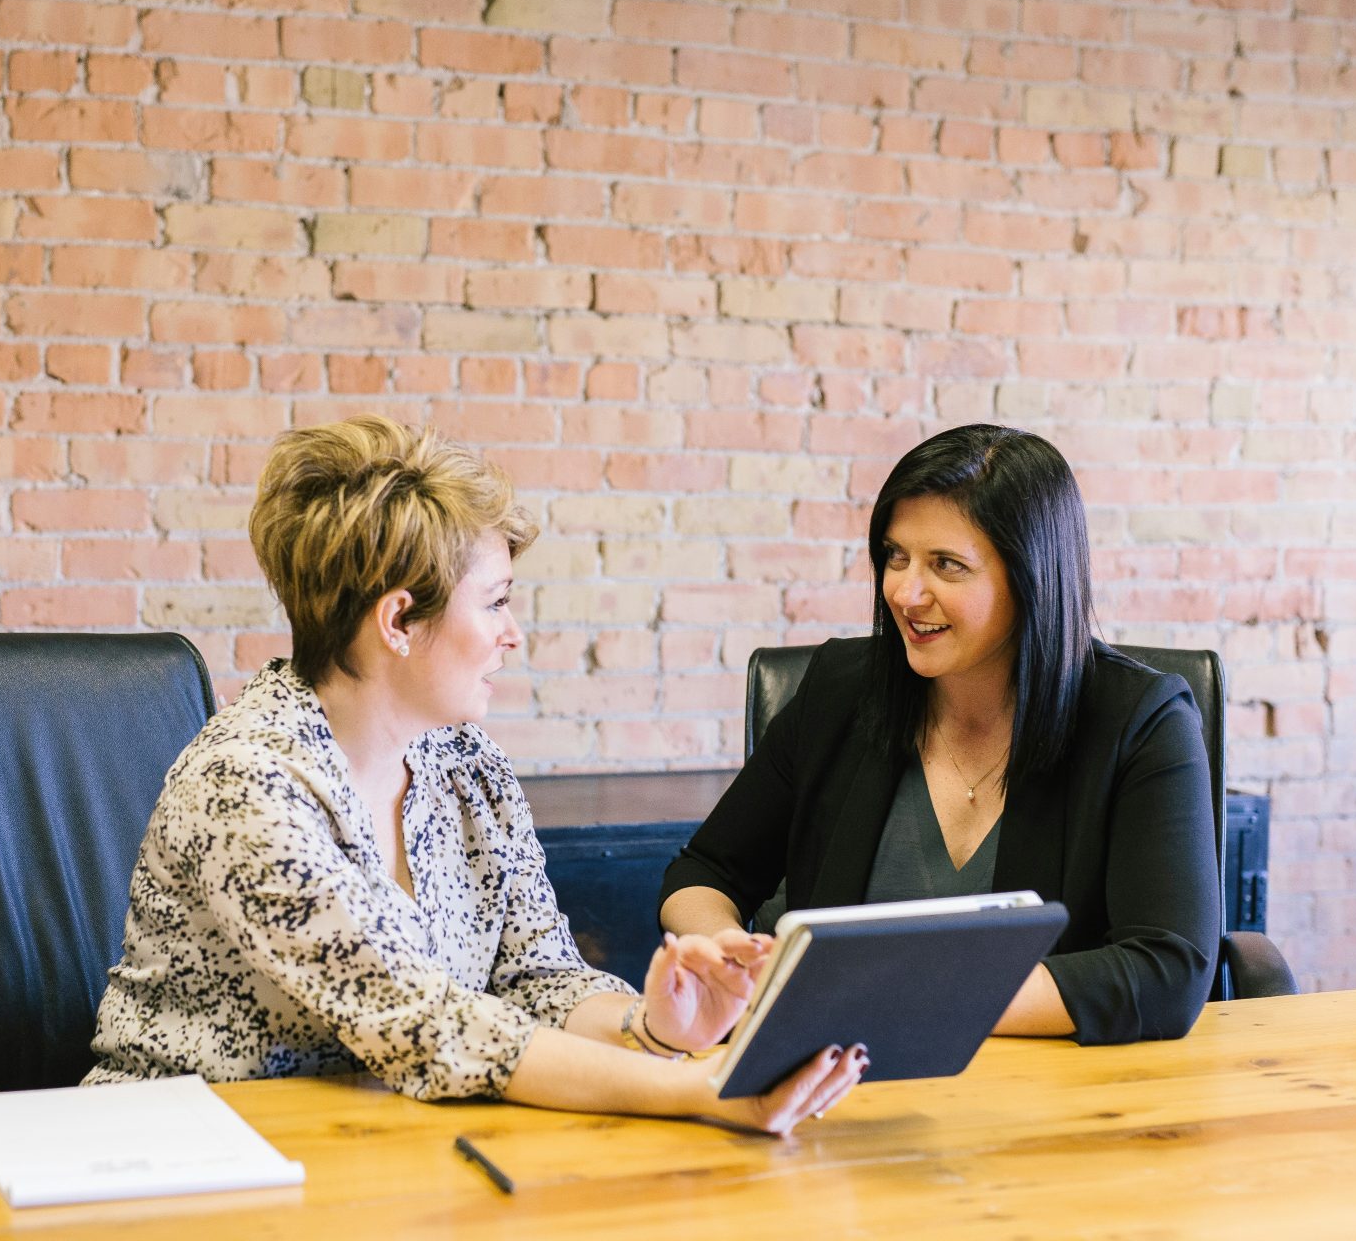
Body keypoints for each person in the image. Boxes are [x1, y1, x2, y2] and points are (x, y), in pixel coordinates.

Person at [86, 415, 863, 1132]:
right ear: (398, 621)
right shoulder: (246, 784)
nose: (513, 635)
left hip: (385, 1144)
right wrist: (699, 1089)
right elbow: (426, 1023)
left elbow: (537, 975)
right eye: (494, 603)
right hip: (183, 1154)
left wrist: (655, 1027)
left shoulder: (465, 763)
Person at [659, 424, 1221, 1044]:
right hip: (835, 1085)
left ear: (1031, 576)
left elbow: (1167, 970)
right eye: (896, 557)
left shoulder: (1141, 721)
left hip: (1050, 1097)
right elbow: (704, 872)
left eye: (946, 565)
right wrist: (727, 956)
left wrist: (894, 998)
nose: (905, 591)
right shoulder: (841, 690)